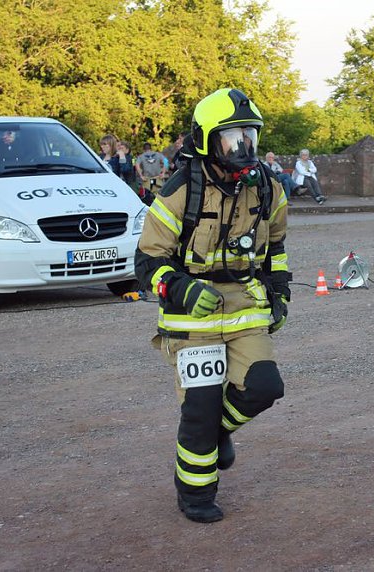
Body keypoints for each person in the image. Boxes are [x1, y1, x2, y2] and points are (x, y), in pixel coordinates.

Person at [134, 88, 290, 524]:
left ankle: (219, 432)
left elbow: (276, 247)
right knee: (200, 408)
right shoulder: (182, 190)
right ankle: (195, 496)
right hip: (192, 315)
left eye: (250, 136)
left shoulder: (269, 188)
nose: (244, 147)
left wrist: (280, 294)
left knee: (265, 387)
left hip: (244, 307)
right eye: (233, 137)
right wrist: (182, 290)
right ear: (206, 140)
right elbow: (148, 260)